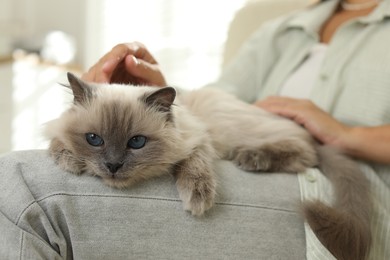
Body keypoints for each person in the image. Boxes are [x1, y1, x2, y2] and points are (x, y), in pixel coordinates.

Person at [0, 0, 389, 259]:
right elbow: (204, 107)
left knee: (19, 183)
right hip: (246, 157)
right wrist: (142, 99)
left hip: (344, 181)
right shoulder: (282, 30)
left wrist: (347, 134)